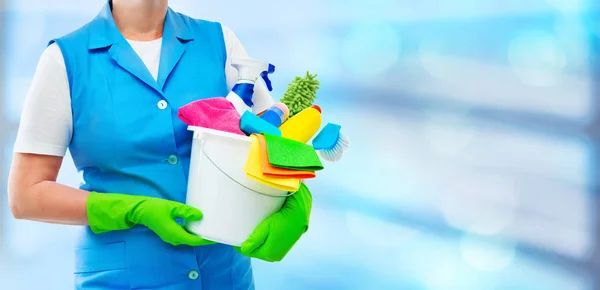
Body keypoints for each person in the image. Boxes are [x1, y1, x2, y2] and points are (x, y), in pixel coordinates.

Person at [7, 0, 313, 289]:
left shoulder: (219, 42)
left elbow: (274, 146)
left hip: (224, 275)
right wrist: (134, 210)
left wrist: (298, 202)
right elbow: (26, 195)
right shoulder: (66, 60)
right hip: (123, 279)